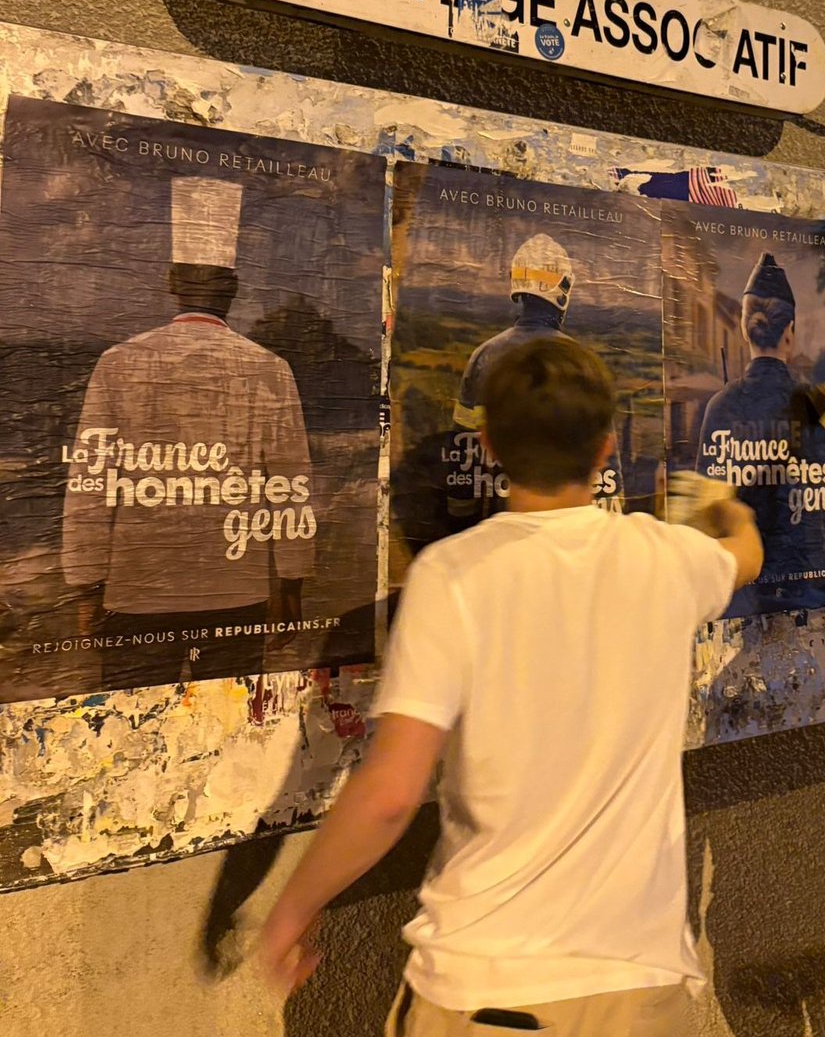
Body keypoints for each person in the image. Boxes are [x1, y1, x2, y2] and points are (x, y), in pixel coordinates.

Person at [260, 336, 763, 1037]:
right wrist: (728, 510)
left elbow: (391, 791)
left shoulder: (451, 576)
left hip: (489, 988)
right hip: (639, 991)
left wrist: (290, 910)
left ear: (490, 445)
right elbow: (744, 557)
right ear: (605, 448)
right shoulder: (666, 557)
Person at [60, 177, 313, 688]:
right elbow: (290, 484)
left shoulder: (118, 362)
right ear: (234, 289)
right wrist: (291, 581)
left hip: (135, 593)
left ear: (172, 282)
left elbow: (90, 486)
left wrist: (85, 587)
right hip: (236, 589)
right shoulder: (270, 367)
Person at [695, 251, 825, 618]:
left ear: (745, 329)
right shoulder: (822, 406)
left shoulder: (720, 407)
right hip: (811, 591)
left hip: (742, 593)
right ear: (789, 332)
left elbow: (706, 512)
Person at [447, 233, 623, 520]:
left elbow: (462, 449)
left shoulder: (483, 355)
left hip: (498, 520)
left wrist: (460, 514)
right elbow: (605, 469)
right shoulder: (579, 361)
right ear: (563, 287)